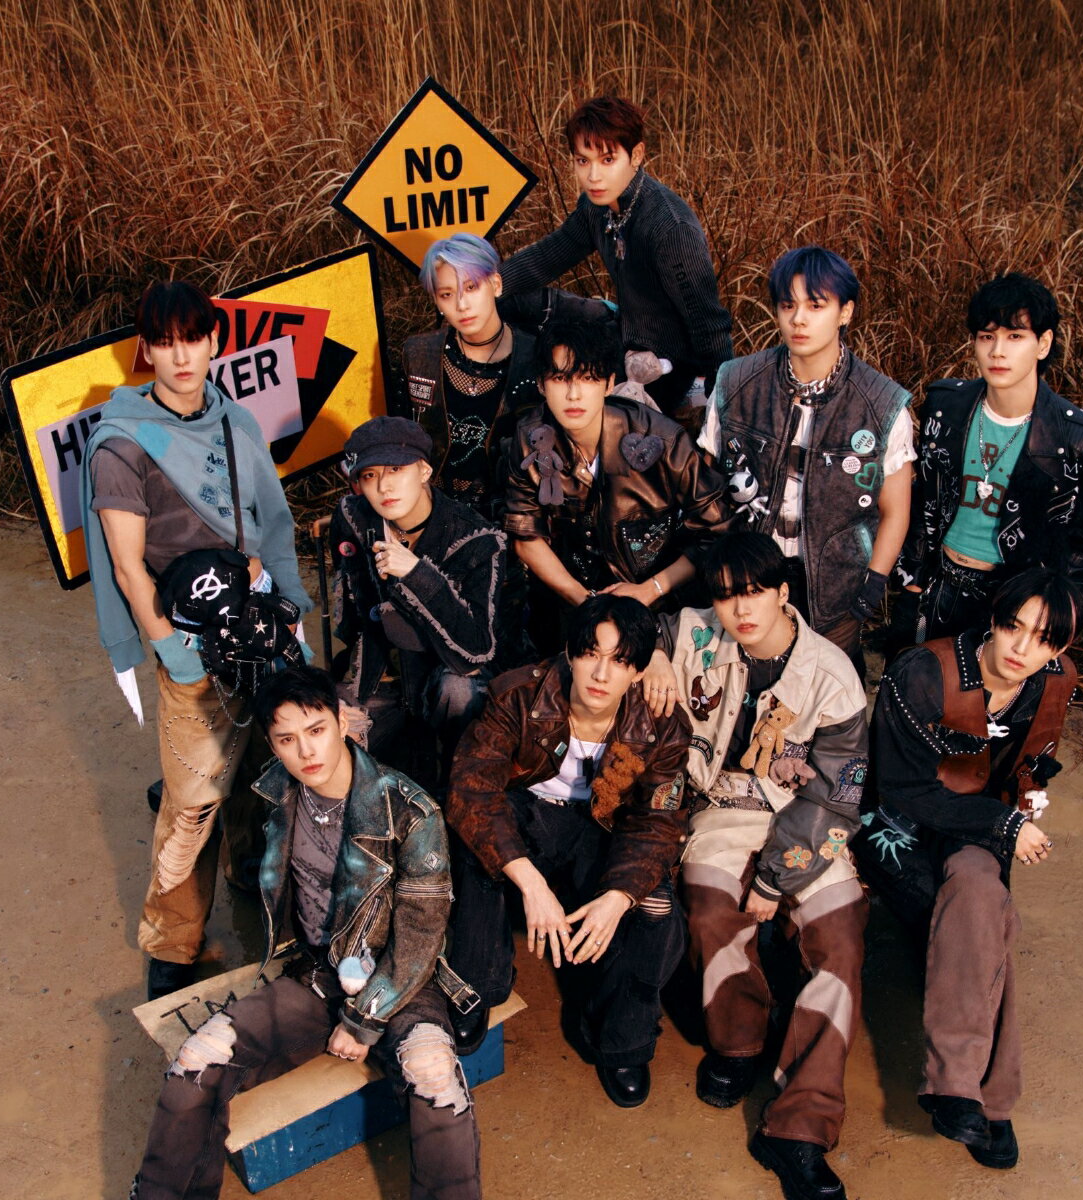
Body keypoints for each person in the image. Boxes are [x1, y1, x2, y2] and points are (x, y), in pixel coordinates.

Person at [130, 666, 481, 1199]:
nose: (306, 752)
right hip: (317, 972)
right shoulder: (274, 792)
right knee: (197, 1058)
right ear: (272, 744)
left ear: (341, 722)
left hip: (403, 980)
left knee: (434, 1075)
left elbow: (420, 937)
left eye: (316, 730)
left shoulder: (410, 811)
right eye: (287, 739)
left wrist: (363, 1021)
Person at [80, 280, 312, 1000]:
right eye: (165, 342)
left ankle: (251, 876)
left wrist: (292, 611)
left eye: (193, 339)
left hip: (259, 624)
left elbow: (273, 523)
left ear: (215, 342)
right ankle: (172, 941)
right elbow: (127, 564)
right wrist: (174, 653)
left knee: (268, 771)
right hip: (188, 637)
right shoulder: (122, 443)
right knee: (193, 801)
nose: (181, 357)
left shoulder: (235, 421)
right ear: (144, 351)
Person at [643, 531, 869, 1200]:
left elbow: (838, 794)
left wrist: (775, 879)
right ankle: (738, 1042)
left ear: (782, 592)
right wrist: (653, 657)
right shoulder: (695, 633)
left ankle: (800, 1126)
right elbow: (632, 625)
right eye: (725, 596)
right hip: (722, 806)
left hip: (808, 820)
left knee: (840, 938)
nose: (740, 609)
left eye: (753, 592)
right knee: (712, 907)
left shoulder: (831, 673)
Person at [854, 570, 1082, 1172]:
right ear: (994, 621)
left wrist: (1025, 802)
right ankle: (992, 1101)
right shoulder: (923, 673)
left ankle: (961, 1090)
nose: (1021, 648)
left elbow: (1033, 765)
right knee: (979, 925)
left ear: (1060, 646)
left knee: (982, 899)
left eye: (1042, 639)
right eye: (1012, 627)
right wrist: (1005, 824)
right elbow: (901, 789)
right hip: (897, 828)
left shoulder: (1056, 682)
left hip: (974, 828)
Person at [445, 595, 691, 1108]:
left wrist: (619, 897)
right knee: (478, 845)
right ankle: (478, 984)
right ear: (570, 653)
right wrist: (531, 883)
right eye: (590, 654)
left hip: (605, 825)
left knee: (655, 907)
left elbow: (658, 823)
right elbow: (473, 790)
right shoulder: (517, 694)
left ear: (638, 671)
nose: (601, 674)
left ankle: (622, 1042)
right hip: (529, 813)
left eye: (619, 661)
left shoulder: (663, 723)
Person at [699, 245, 915, 673]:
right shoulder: (736, 382)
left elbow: (895, 511)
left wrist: (871, 588)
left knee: (827, 688)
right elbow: (705, 487)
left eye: (816, 305)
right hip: (749, 574)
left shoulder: (882, 403)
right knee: (743, 682)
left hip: (836, 583)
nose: (799, 319)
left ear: (845, 312)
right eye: (788, 305)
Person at [894, 272, 1083, 647]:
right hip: (937, 586)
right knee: (911, 680)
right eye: (987, 336)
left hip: (1014, 601)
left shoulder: (1081, 440)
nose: (997, 351)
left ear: (1043, 344)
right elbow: (923, 496)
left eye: (1015, 336)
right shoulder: (945, 406)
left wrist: (1050, 616)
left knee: (990, 686)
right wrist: (911, 581)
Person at [499, 95, 733, 416]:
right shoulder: (597, 206)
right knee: (517, 305)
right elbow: (552, 254)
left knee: (589, 410)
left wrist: (721, 402)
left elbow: (708, 323)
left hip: (667, 367)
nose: (593, 176)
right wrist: (493, 282)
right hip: (624, 335)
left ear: (636, 155)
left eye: (607, 160)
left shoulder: (669, 227)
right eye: (583, 161)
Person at [505, 319, 727, 652]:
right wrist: (584, 601)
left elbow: (718, 530)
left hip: (660, 607)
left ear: (610, 383)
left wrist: (650, 590)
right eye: (560, 378)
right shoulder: (530, 440)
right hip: (569, 607)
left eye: (588, 378)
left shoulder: (662, 440)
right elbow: (526, 536)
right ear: (541, 384)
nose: (573, 394)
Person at [327, 415, 506, 781]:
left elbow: (476, 651)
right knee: (327, 730)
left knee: (459, 690)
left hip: (446, 678)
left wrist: (418, 575)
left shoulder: (478, 539)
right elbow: (351, 618)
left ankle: (460, 787)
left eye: (396, 469)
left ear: (424, 471)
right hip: (380, 675)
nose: (384, 486)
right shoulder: (352, 518)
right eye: (370, 475)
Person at [403, 233, 544, 520]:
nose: (462, 304)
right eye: (446, 294)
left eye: (471, 287)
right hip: (432, 513)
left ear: (496, 284)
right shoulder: (419, 354)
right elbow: (399, 438)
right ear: (436, 300)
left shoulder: (535, 357)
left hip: (511, 516)